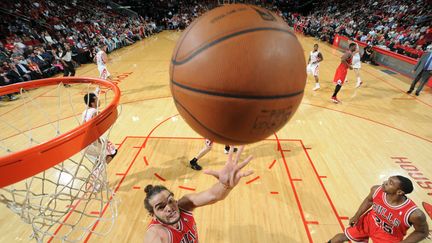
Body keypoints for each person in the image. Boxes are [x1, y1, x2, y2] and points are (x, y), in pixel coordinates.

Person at [144, 146, 253, 243]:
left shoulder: (184, 204)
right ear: (152, 215)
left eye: (170, 200)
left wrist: (225, 185)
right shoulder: (157, 234)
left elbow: (213, 196)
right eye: (161, 207)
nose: (169, 208)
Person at [327, 175, 429, 243]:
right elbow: (369, 201)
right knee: (342, 237)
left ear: (399, 192)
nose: (385, 182)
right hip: (369, 222)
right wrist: (356, 215)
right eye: (388, 180)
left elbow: (422, 232)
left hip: (388, 236)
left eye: (390, 183)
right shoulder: (376, 190)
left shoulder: (414, 214)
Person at [82, 88, 117, 164]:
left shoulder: (84, 112)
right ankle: (97, 172)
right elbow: (92, 129)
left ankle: (95, 173)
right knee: (113, 151)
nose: (99, 100)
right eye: (97, 99)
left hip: (84, 143)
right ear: (92, 103)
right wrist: (98, 141)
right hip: (93, 141)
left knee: (100, 159)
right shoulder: (95, 112)